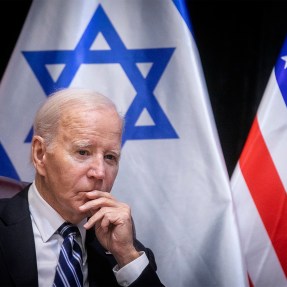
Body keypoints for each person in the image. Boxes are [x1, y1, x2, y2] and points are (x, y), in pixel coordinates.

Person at [0, 88, 164, 287]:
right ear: (40, 154)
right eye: (83, 152)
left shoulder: (124, 250)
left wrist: (126, 256)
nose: (100, 172)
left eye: (110, 157)